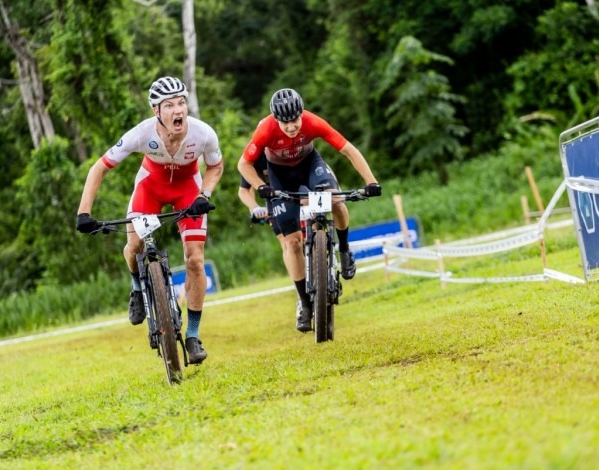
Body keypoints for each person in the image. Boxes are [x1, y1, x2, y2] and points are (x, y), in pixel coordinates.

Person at [76, 76, 223, 365]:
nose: (178, 110)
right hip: (150, 188)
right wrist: (84, 212)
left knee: (194, 259)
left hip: (187, 190)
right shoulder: (142, 133)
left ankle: (193, 335)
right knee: (134, 245)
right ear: (157, 111)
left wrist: (204, 194)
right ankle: (135, 286)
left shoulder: (203, 133)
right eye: (169, 105)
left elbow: (216, 166)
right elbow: (99, 168)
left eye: (181, 103)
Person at [237, 88, 381, 333]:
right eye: (285, 122)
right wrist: (261, 187)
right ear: (276, 119)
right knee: (292, 242)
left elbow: (348, 149)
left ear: (301, 114)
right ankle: (304, 303)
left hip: (309, 165)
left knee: (335, 200)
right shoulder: (266, 129)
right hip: (279, 177)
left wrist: (371, 181)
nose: (291, 126)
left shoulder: (313, 122)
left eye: (295, 120)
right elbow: (243, 164)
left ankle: (344, 249)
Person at [237, 154, 305, 321]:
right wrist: (254, 208)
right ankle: (300, 296)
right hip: (275, 200)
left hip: (300, 192)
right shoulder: (254, 156)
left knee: (315, 226)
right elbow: (244, 190)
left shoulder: (290, 145)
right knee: (289, 244)